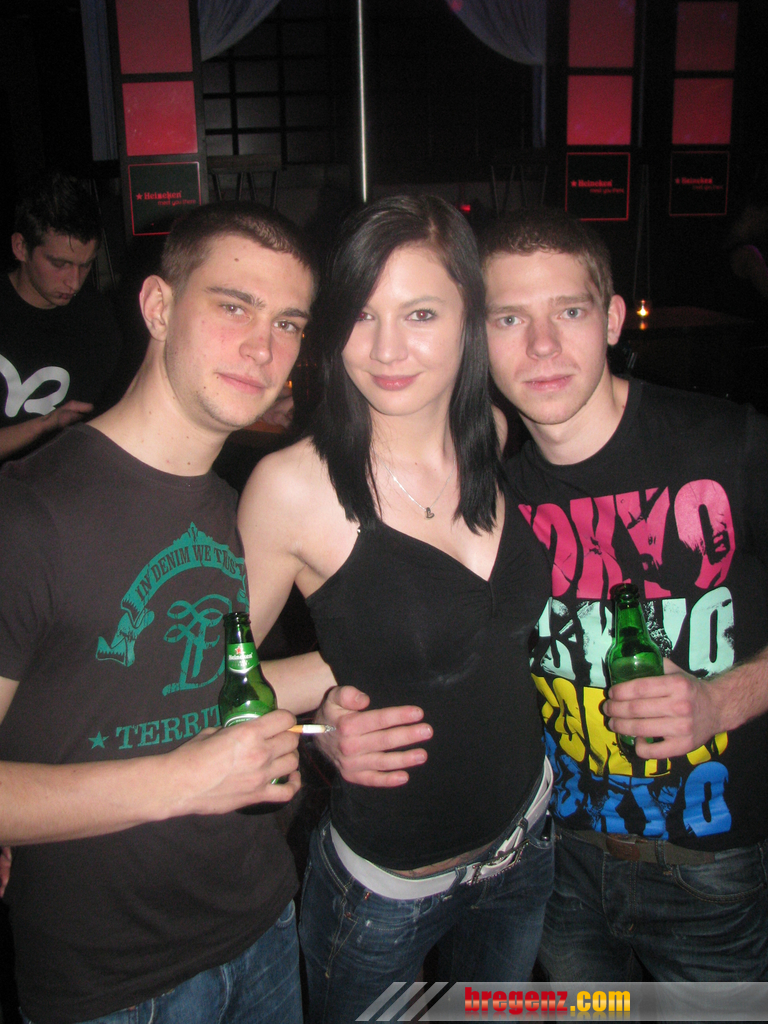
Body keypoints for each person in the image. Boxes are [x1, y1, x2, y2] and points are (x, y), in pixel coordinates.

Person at [324, 205, 768, 987]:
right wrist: (331, 715)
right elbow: (430, 644)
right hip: (550, 865)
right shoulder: (487, 494)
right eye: (508, 318)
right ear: (476, 336)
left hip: (711, 872)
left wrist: (722, 701)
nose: (541, 346)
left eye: (568, 311)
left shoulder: (729, 443)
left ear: (613, 319)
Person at [237, 195, 553, 1022]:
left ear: (468, 317)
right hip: (385, 896)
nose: (384, 351)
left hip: (527, 846)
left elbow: (467, 639)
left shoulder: (491, 434)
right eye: (361, 315)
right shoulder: (292, 490)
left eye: (419, 314)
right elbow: (207, 685)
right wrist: (316, 734)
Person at [0, 201, 316, 1024]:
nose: (264, 347)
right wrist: (182, 782)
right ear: (158, 307)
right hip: (114, 983)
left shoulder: (231, 508)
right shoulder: (27, 513)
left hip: (262, 922)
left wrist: (345, 679)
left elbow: (189, 683)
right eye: (235, 306)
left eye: (288, 323)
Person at [0, 171, 124, 460]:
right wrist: (45, 427)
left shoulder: (96, 318)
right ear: (21, 247)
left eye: (85, 265)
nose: (74, 281)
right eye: (59, 264)